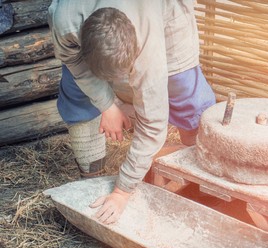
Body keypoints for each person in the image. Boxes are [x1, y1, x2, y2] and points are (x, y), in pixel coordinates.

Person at [48, 0, 216, 224]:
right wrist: (107, 105)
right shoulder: (65, 19)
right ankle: (89, 178)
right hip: (96, 21)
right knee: (76, 86)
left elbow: (153, 124)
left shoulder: (148, 44)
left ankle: (196, 176)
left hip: (162, 11)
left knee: (184, 89)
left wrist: (122, 191)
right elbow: (72, 59)